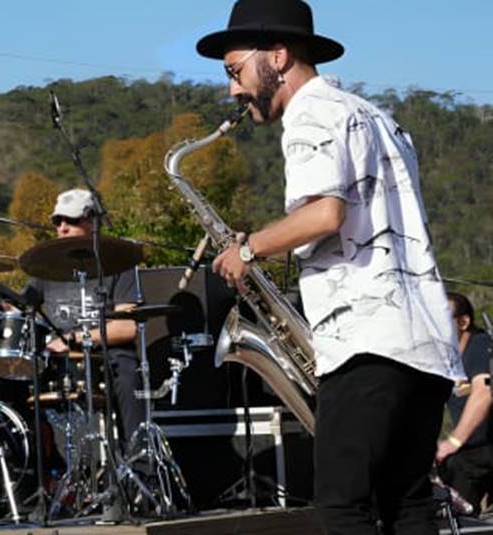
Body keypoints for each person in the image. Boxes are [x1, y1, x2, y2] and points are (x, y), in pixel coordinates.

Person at [201, 1, 463, 533]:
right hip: (426, 344)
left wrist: (248, 250)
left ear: (278, 56)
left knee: (342, 507)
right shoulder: (378, 117)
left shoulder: (310, 114)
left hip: (367, 342)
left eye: (234, 70)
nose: (232, 89)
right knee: (408, 505)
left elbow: (325, 213)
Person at [27, 188, 144, 449]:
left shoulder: (118, 261)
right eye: (58, 221)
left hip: (107, 355)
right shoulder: (44, 265)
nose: (63, 228)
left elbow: (127, 327)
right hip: (56, 359)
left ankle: (138, 459)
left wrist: (73, 339)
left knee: (128, 373)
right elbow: (18, 309)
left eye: (71, 220)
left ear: (92, 221)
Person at [436, 292, 493, 514]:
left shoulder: (481, 345)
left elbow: (484, 392)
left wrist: (453, 442)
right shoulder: (445, 362)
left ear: (463, 322)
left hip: (482, 450)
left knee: (456, 465)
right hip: (474, 452)